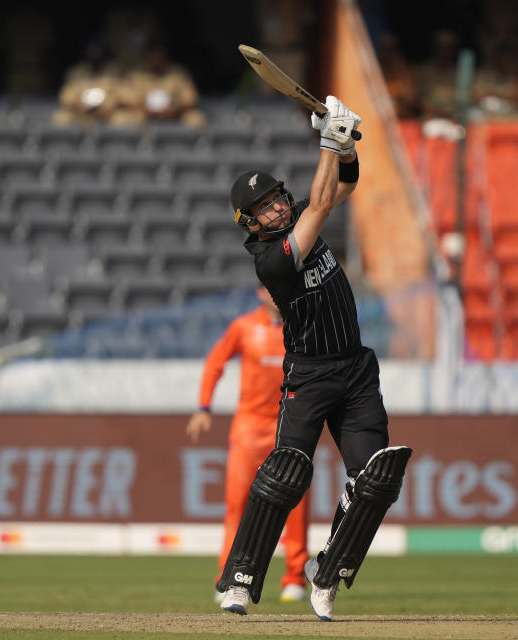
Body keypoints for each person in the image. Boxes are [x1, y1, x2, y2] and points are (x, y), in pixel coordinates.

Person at [214, 96, 411, 621]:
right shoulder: (270, 261)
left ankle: (327, 576)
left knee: (376, 480)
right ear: (250, 224)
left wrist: (343, 147)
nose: (279, 208)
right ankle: (238, 580)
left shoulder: (298, 214)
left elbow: (342, 186)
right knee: (285, 475)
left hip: (356, 369)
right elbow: (321, 205)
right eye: (266, 209)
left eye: (278, 199)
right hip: (310, 373)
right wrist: (328, 139)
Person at [187, 287, 309, 604]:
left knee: (295, 506)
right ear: (260, 293)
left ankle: (294, 578)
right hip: (249, 427)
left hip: (290, 427)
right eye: (271, 289)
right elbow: (215, 362)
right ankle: (227, 578)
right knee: (237, 505)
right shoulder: (243, 327)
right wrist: (203, 407)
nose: (276, 295)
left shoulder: (303, 326)